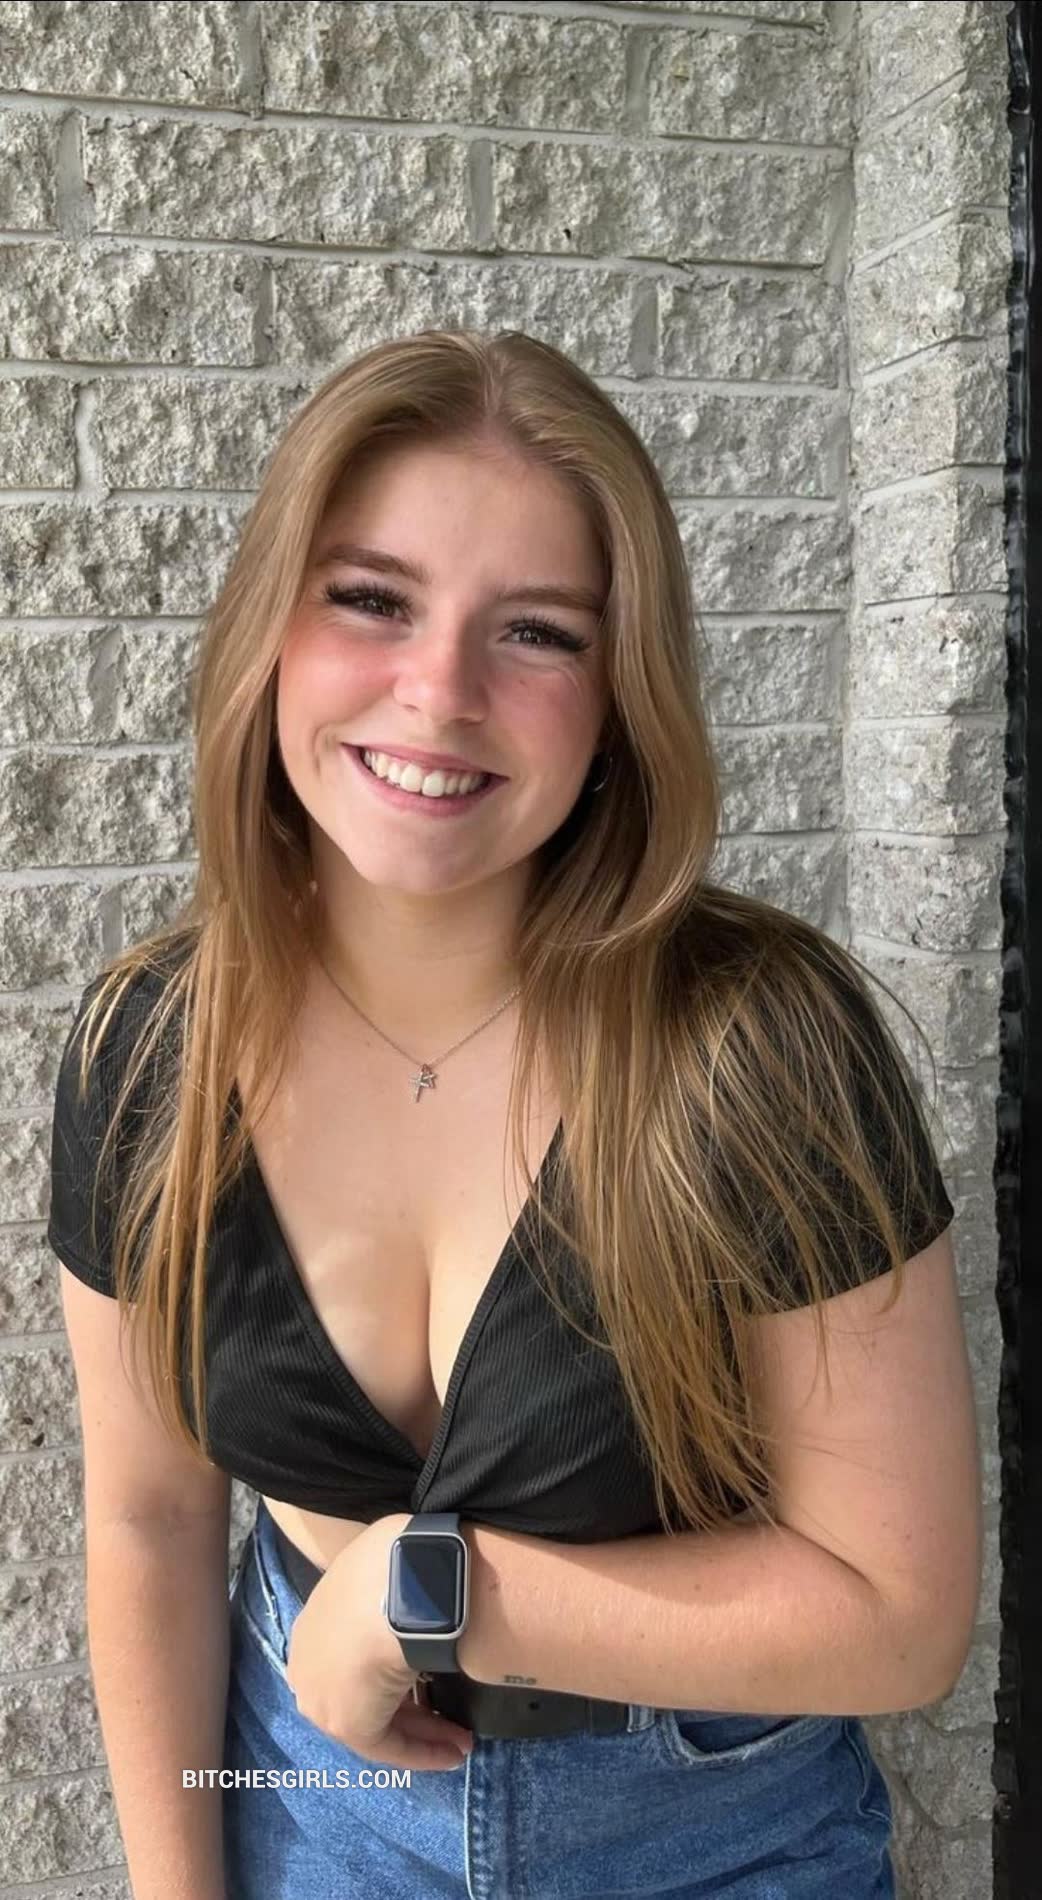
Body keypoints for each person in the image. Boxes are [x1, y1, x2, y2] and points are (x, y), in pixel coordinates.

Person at [48, 328, 982, 1900]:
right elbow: (148, 1523)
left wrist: (433, 1595)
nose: (439, 695)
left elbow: (899, 1616)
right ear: (269, 625)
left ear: (617, 698)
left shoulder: (754, 1043)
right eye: (371, 599)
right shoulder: (151, 1057)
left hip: (715, 1836)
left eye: (536, 632)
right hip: (302, 1809)